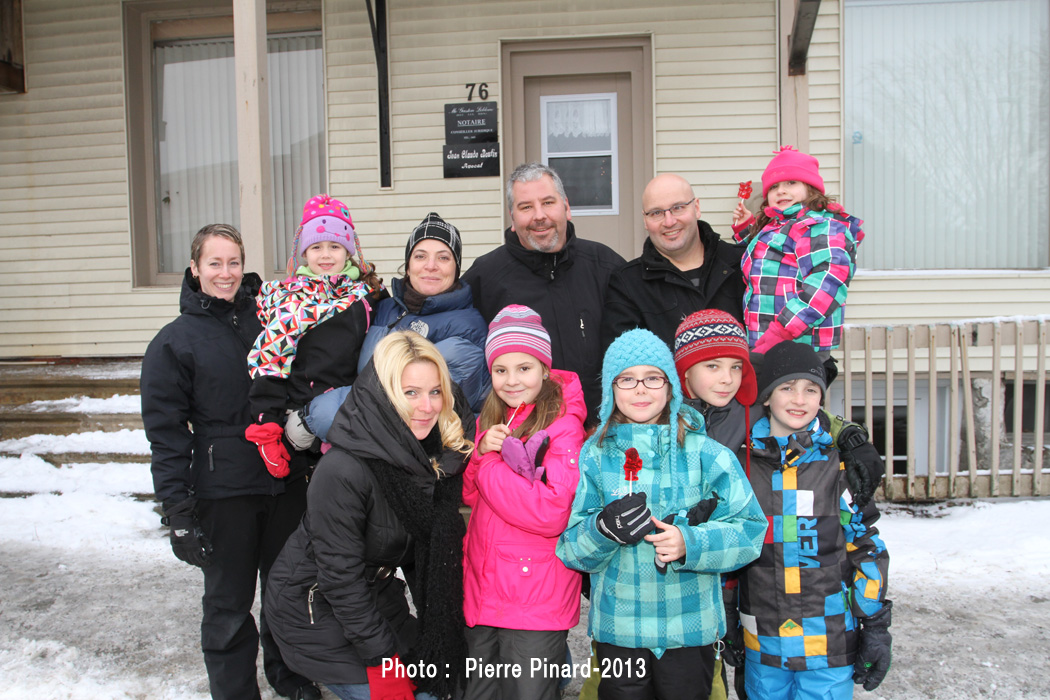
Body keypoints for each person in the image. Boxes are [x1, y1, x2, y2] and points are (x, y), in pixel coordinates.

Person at [140, 224, 321, 700]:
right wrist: (178, 511)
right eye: (214, 263)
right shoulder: (174, 342)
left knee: (287, 591)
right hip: (225, 490)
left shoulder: (274, 316)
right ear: (195, 268)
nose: (226, 273)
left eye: (234, 262)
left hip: (285, 478)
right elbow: (166, 436)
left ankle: (292, 677)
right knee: (229, 603)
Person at [264, 331, 476, 700]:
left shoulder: (433, 462)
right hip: (315, 607)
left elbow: (425, 556)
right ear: (382, 394)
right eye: (410, 392)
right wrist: (382, 659)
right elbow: (340, 578)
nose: (426, 406)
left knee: (450, 682)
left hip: (376, 596)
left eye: (435, 391)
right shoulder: (343, 469)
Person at [557, 328, 766, 700]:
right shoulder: (595, 455)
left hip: (689, 632)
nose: (640, 389)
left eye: (653, 378)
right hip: (619, 632)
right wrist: (601, 529)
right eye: (627, 379)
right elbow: (571, 550)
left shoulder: (709, 455)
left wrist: (691, 542)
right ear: (611, 390)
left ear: (671, 386)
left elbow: (751, 531)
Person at [725, 340, 891, 700]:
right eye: (786, 387)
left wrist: (874, 623)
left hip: (828, 645)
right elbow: (729, 549)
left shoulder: (839, 465)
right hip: (762, 642)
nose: (799, 399)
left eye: (810, 389)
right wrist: (726, 615)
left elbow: (865, 545)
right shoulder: (740, 466)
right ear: (766, 397)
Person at [462, 305, 587, 700]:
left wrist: (487, 467)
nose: (511, 380)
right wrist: (481, 451)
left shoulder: (564, 425)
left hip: (534, 594)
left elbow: (551, 511)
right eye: (501, 370)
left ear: (544, 369)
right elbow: (468, 495)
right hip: (485, 587)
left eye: (524, 368)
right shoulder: (494, 414)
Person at [461, 162, 625, 424]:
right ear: (512, 218)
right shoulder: (486, 276)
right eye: (526, 207)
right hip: (525, 441)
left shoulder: (606, 266)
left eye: (548, 202)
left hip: (603, 430)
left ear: (567, 207)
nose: (539, 215)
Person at [307, 212, 489, 434]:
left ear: (456, 268)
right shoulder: (385, 309)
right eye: (420, 256)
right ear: (408, 265)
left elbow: (407, 406)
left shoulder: (467, 328)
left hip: (428, 457)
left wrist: (311, 416)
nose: (431, 266)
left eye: (443, 257)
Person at [244, 194, 386, 468]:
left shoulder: (369, 296)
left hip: (352, 416)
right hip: (299, 420)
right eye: (316, 246)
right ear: (304, 251)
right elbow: (271, 360)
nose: (325, 255)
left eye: (334, 246)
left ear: (348, 250)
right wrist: (267, 426)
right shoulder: (290, 300)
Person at [730, 146, 865, 356]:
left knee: (793, 390)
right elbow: (765, 258)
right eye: (774, 186)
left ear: (811, 188)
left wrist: (785, 328)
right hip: (765, 337)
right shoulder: (777, 226)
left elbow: (827, 281)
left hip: (800, 340)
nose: (781, 190)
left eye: (791, 182)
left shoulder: (818, 226)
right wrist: (746, 229)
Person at [600, 173, 746, 352]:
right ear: (645, 220)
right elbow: (624, 363)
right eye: (656, 213)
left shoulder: (743, 263)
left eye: (678, 208)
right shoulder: (627, 284)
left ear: (697, 207)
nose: (669, 222)